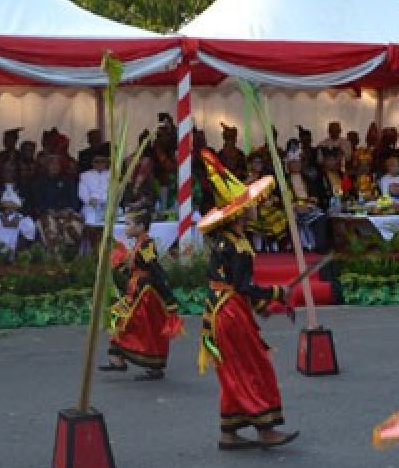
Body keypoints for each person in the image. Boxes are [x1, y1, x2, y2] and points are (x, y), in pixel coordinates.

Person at [197, 162, 298, 450]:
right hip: (230, 312)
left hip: (224, 309)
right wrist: (278, 292)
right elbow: (242, 286)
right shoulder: (237, 247)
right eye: (252, 204)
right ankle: (265, 428)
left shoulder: (230, 241)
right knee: (250, 368)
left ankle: (229, 433)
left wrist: (261, 303)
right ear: (240, 213)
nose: (256, 207)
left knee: (233, 368)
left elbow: (238, 286)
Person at [100, 206, 183, 380]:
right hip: (137, 290)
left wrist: (168, 297)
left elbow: (155, 270)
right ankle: (118, 358)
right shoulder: (139, 243)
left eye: (129, 224)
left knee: (137, 326)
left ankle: (149, 364)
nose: (126, 227)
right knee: (124, 320)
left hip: (146, 294)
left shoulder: (146, 245)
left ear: (141, 227)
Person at [31, 154, 83, 257]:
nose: (55, 166)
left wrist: (69, 209)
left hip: (67, 213)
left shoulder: (67, 180)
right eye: (52, 163)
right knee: (50, 226)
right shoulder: (38, 182)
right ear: (46, 166)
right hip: (48, 213)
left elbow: (74, 200)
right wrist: (49, 210)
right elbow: (37, 202)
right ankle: (55, 258)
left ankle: (73, 257)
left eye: (57, 164)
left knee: (74, 225)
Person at [78, 144, 112, 251]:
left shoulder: (113, 175)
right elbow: (82, 193)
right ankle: (93, 249)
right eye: (96, 161)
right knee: (91, 217)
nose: (99, 164)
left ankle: (111, 249)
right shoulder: (85, 175)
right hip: (91, 206)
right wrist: (90, 201)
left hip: (109, 205)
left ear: (107, 162)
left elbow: (116, 192)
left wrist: (109, 202)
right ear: (92, 163)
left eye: (102, 161)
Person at [0, 184, 37, 260]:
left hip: (15, 242)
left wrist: (12, 221)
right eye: (7, 204)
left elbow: (12, 224)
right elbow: (4, 224)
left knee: (27, 226)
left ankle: (14, 253)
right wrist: (5, 218)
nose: (9, 207)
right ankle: (2, 252)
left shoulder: (19, 216)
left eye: (11, 204)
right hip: (0, 242)